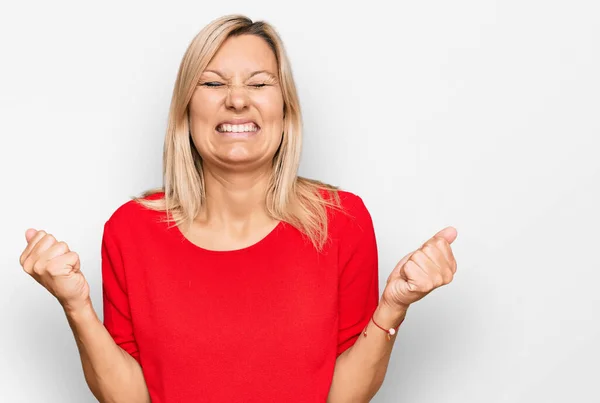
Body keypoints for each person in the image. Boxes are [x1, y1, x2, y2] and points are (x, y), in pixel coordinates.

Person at [18, 14, 458, 403]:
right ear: (185, 111)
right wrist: (75, 306)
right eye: (212, 83)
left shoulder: (341, 223)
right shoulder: (130, 230)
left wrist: (393, 308)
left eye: (260, 83)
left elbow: (344, 397)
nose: (237, 100)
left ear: (285, 110)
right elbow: (130, 398)